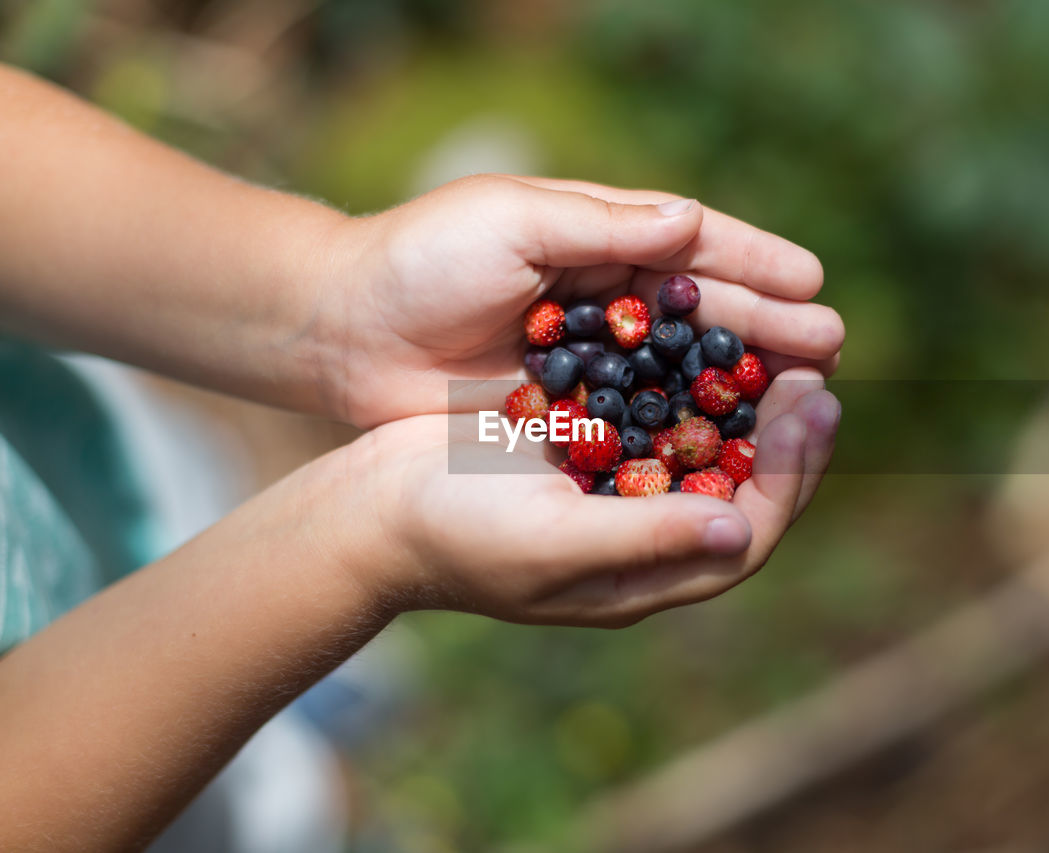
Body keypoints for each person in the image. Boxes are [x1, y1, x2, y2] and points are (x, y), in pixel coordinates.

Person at [0, 62, 844, 850]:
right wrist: (356, 545)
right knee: (271, 809)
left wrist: (332, 298)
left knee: (197, 525)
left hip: (96, 478)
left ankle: (325, 719)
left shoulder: (609, 393)